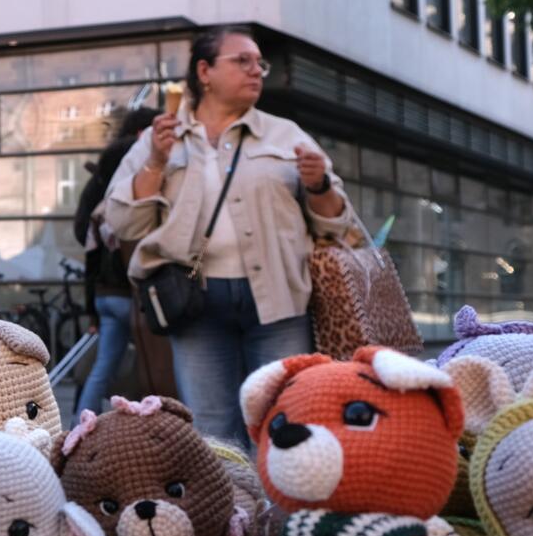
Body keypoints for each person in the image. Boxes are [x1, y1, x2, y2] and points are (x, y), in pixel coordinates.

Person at [103, 27, 362, 443]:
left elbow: (336, 225)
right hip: (194, 303)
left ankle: (278, 489)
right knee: (212, 426)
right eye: (242, 61)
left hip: (278, 299)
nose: (256, 70)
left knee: (286, 414)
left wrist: (319, 186)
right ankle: (231, 489)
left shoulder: (286, 135)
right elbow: (122, 222)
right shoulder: (161, 138)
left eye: (260, 63)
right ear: (204, 72)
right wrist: (155, 163)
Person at [71, 106, 159, 417]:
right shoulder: (135, 208)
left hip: (105, 297)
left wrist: (92, 310)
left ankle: (81, 421)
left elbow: (91, 261)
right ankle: (150, 419)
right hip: (131, 294)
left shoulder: (98, 210)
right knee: (154, 362)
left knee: (104, 365)